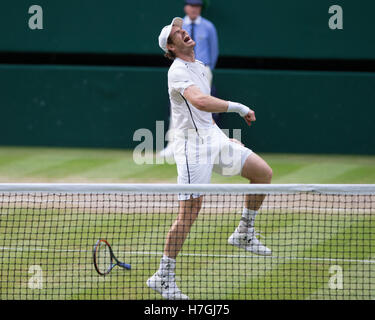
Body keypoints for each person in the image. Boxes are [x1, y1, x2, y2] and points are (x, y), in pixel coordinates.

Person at [147, 17, 273, 300]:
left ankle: (244, 232)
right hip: (192, 149)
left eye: (184, 30)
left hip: (213, 138)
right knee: (189, 213)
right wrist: (239, 108)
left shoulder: (200, 67)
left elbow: (204, 113)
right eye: (178, 34)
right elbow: (200, 102)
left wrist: (220, 135)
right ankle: (163, 277)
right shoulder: (177, 71)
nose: (185, 33)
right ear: (171, 46)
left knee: (262, 173)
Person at [158, 0, 219, 159]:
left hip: (203, 70)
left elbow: (214, 51)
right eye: (191, 6)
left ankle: (210, 143)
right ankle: (172, 145)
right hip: (184, 70)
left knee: (202, 105)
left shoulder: (208, 27)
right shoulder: (177, 34)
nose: (194, 9)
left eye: (197, 6)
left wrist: (206, 69)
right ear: (186, 7)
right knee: (179, 107)